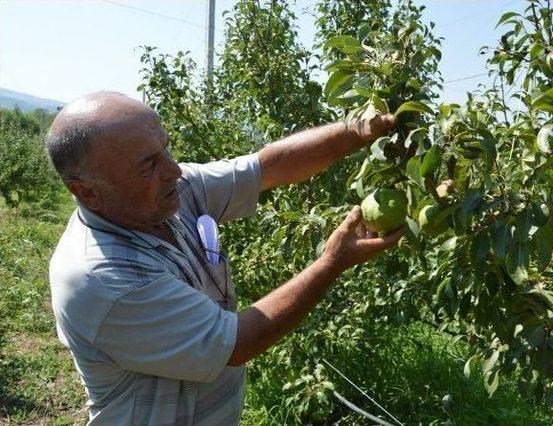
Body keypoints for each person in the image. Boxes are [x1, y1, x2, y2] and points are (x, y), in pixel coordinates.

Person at [46, 91, 403, 425]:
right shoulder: (101, 277)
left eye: (166, 151)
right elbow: (236, 343)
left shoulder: (168, 194)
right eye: (148, 165)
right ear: (87, 191)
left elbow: (266, 167)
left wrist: (357, 130)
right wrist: (331, 263)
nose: (175, 170)